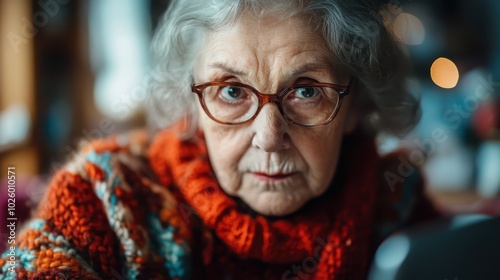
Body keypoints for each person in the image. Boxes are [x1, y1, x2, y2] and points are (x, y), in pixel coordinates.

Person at [0, 0, 437, 279]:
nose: (269, 138)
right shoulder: (103, 200)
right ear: (190, 103)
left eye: (306, 91)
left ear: (356, 105)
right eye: (231, 91)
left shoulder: (397, 202)